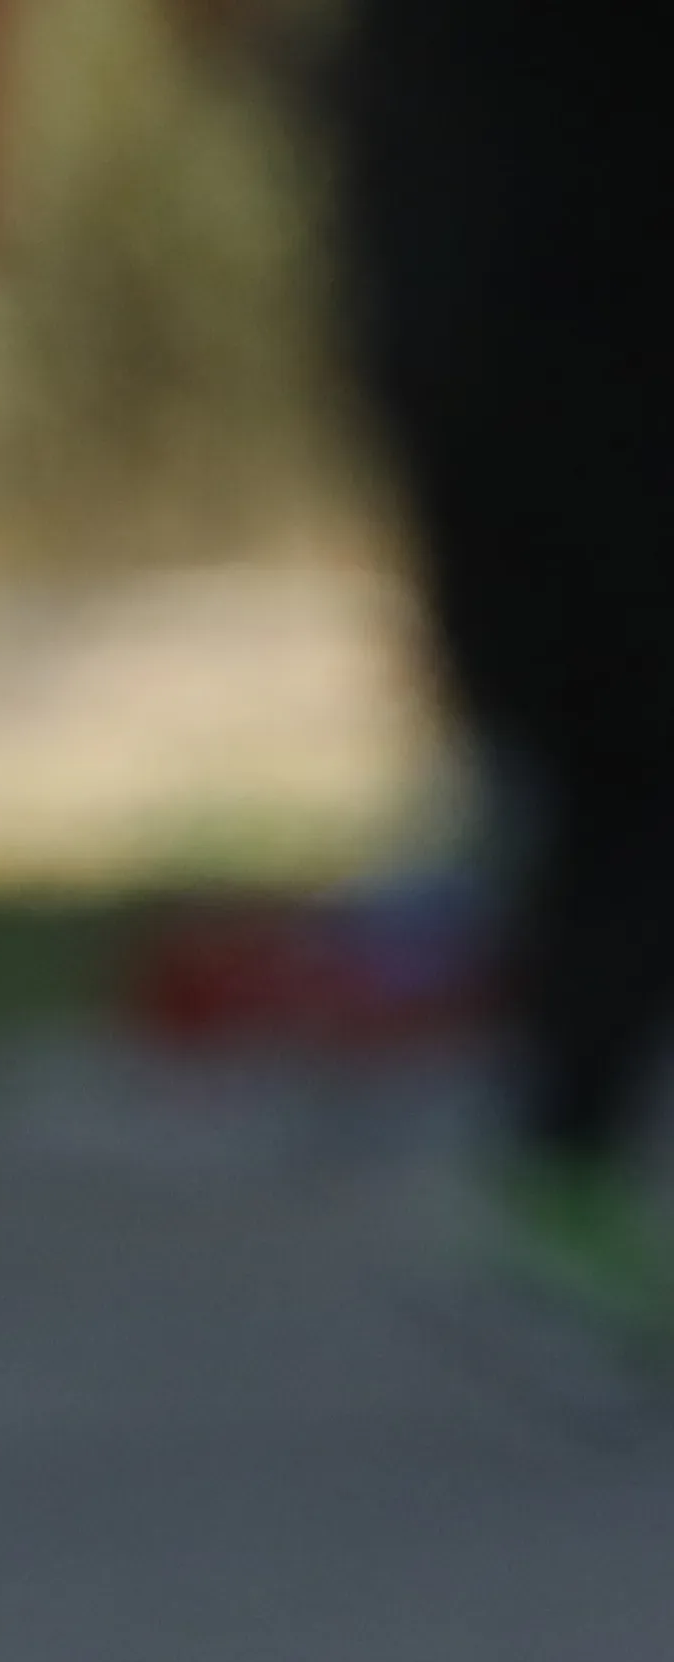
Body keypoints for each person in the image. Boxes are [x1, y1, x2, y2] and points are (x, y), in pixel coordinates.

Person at [323, 0, 674, 1358]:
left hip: (468, 336)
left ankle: (556, 1168)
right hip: (564, 360)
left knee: (592, 781)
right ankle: (554, 1180)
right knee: (624, 780)